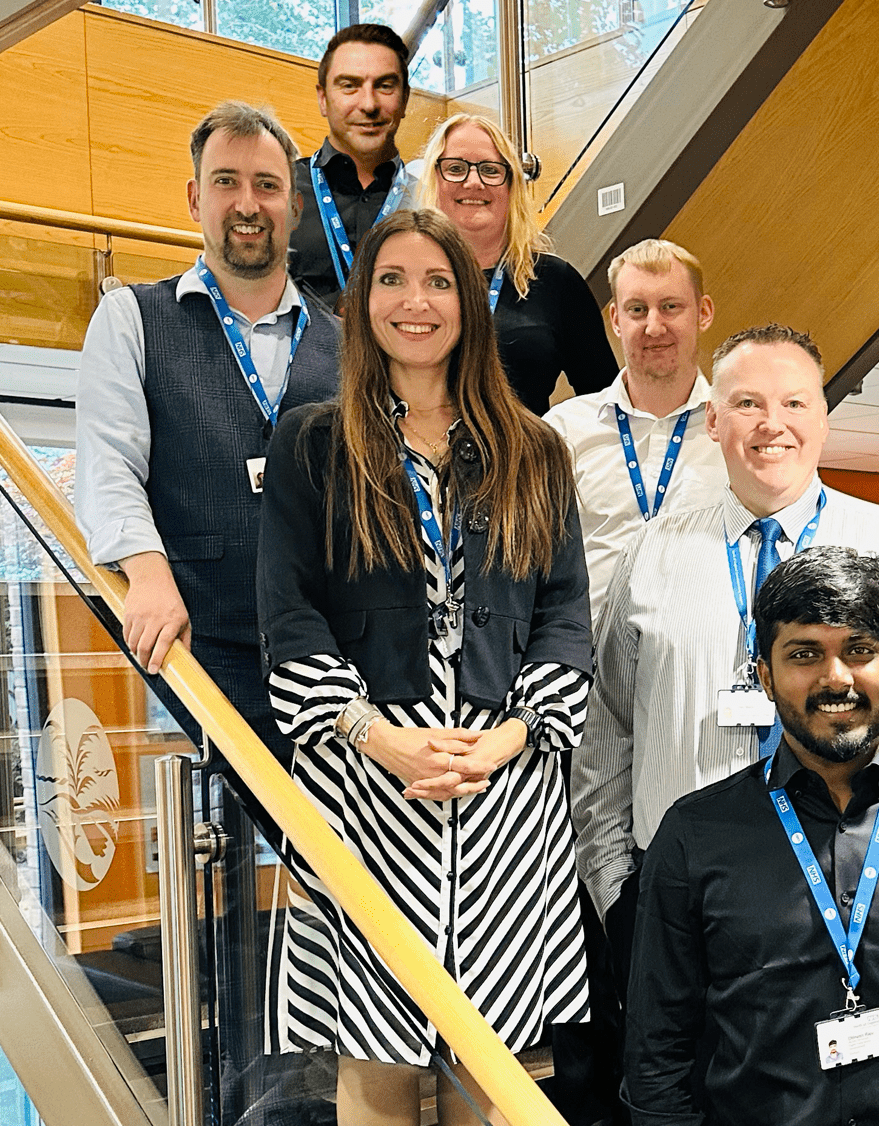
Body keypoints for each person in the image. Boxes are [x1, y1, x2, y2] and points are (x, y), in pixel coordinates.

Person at [255, 209, 596, 1125]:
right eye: (393, 280)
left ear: (469, 301)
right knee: (376, 1071)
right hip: (365, 786)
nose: (416, 301)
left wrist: (511, 738)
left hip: (508, 791)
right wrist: (377, 737)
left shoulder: (536, 447)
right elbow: (288, 615)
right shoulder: (312, 444)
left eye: (438, 281)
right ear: (363, 301)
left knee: (503, 1070)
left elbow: (565, 616)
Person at [572, 323, 879, 992]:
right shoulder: (652, 553)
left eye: (794, 403)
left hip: (860, 884)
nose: (770, 424)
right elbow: (605, 736)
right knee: (687, 1092)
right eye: (748, 403)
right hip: (687, 892)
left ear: (823, 417)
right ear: (712, 420)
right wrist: (621, 895)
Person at [624, 546, 879, 1125]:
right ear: (765, 675)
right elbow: (657, 1052)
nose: (836, 678)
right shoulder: (695, 836)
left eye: (861, 650)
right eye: (805, 654)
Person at [76, 100, 339, 764]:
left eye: (267, 185)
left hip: (335, 666)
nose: (247, 202)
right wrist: (146, 573)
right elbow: (108, 470)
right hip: (195, 657)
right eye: (226, 181)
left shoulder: (348, 342)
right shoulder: (130, 318)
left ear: (294, 207)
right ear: (196, 198)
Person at [544, 238, 728, 618]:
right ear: (615, 319)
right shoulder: (563, 431)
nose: (654, 326)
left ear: (704, 313)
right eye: (637, 309)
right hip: (588, 663)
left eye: (671, 307)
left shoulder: (736, 432)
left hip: (698, 665)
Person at [416, 113, 617, 413]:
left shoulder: (556, 281)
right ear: (435, 180)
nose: (473, 182)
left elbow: (605, 403)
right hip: (415, 459)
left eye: (490, 170)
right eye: (455, 169)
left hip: (525, 459)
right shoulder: (404, 281)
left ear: (511, 185)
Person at [289, 23, 412, 309]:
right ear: (323, 99)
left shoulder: (433, 198)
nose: (369, 104)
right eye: (350, 86)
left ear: (405, 99)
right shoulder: (280, 190)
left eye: (384, 86)